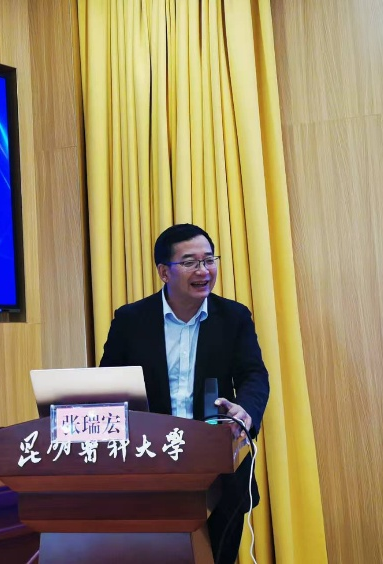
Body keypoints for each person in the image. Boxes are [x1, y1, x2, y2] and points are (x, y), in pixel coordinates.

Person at [99, 223, 270, 564]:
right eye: (190, 262)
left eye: (209, 260)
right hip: (150, 465)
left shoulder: (234, 317)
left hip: (219, 465)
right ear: (164, 272)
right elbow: (108, 385)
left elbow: (254, 375)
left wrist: (245, 412)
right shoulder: (131, 320)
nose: (203, 270)